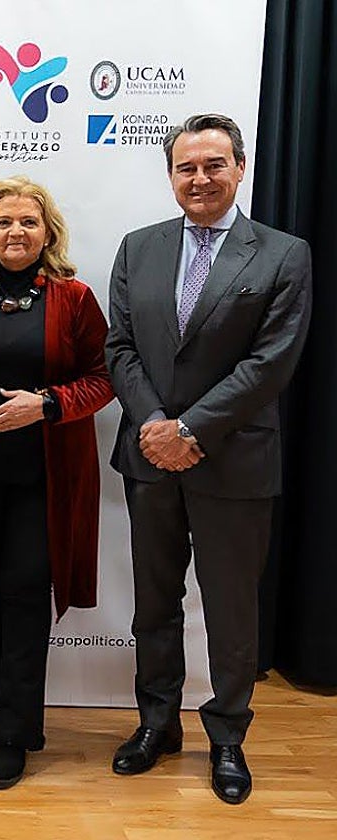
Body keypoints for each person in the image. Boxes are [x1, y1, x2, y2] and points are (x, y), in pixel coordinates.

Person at [106, 113, 311, 805]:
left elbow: (272, 361)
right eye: (186, 167)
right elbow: (120, 349)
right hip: (151, 460)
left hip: (233, 463)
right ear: (171, 176)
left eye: (213, 165)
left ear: (240, 168)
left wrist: (191, 427)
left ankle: (226, 738)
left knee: (230, 612)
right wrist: (157, 424)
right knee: (153, 607)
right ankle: (156, 724)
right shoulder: (139, 248)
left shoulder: (284, 254)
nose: (200, 178)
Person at [0, 176, 113, 789]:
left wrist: (48, 405)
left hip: (45, 479)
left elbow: (103, 377)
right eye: (4, 222)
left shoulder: (75, 297)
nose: (16, 232)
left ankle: (12, 734)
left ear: (47, 232)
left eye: (28, 223)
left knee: (26, 593)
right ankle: (9, 712)